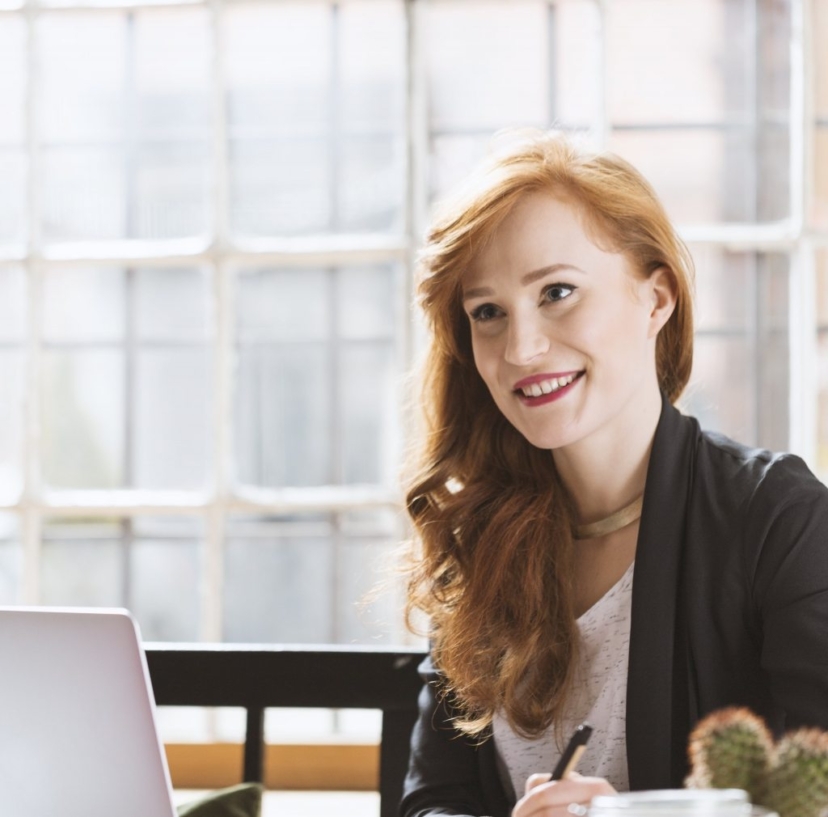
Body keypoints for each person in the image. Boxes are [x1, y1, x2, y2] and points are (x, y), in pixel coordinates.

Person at [399, 131, 828, 817]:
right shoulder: (479, 537)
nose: (522, 347)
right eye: (488, 313)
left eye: (558, 291)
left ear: (656, 299)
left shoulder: (780, 521)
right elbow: (432, 799)